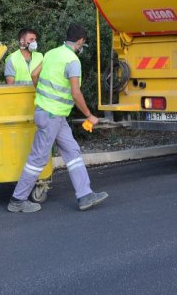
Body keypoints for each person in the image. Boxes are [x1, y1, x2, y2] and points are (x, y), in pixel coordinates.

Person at [8, 23, 107, 213]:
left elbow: (34, 73)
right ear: (80, 42)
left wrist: (42, 95)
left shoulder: (52, 53)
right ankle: (17, 200)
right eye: (82, 44)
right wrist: (89, 115)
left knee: (72, 151)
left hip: (54, 115)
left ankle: (85, 195)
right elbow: (76, 93)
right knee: (38, 158)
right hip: (51, 115)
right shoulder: (72, 61)